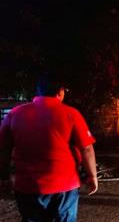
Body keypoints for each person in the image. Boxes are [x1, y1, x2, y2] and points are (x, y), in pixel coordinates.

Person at [0, 74, 98, 222]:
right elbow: (87, 148)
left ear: (37, 92)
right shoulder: (71, 114)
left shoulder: (15, 114)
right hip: (64, 186)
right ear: (60, 92)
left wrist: (3, 177)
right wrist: (92, 176)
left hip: (27, 186)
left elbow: (3, 148)